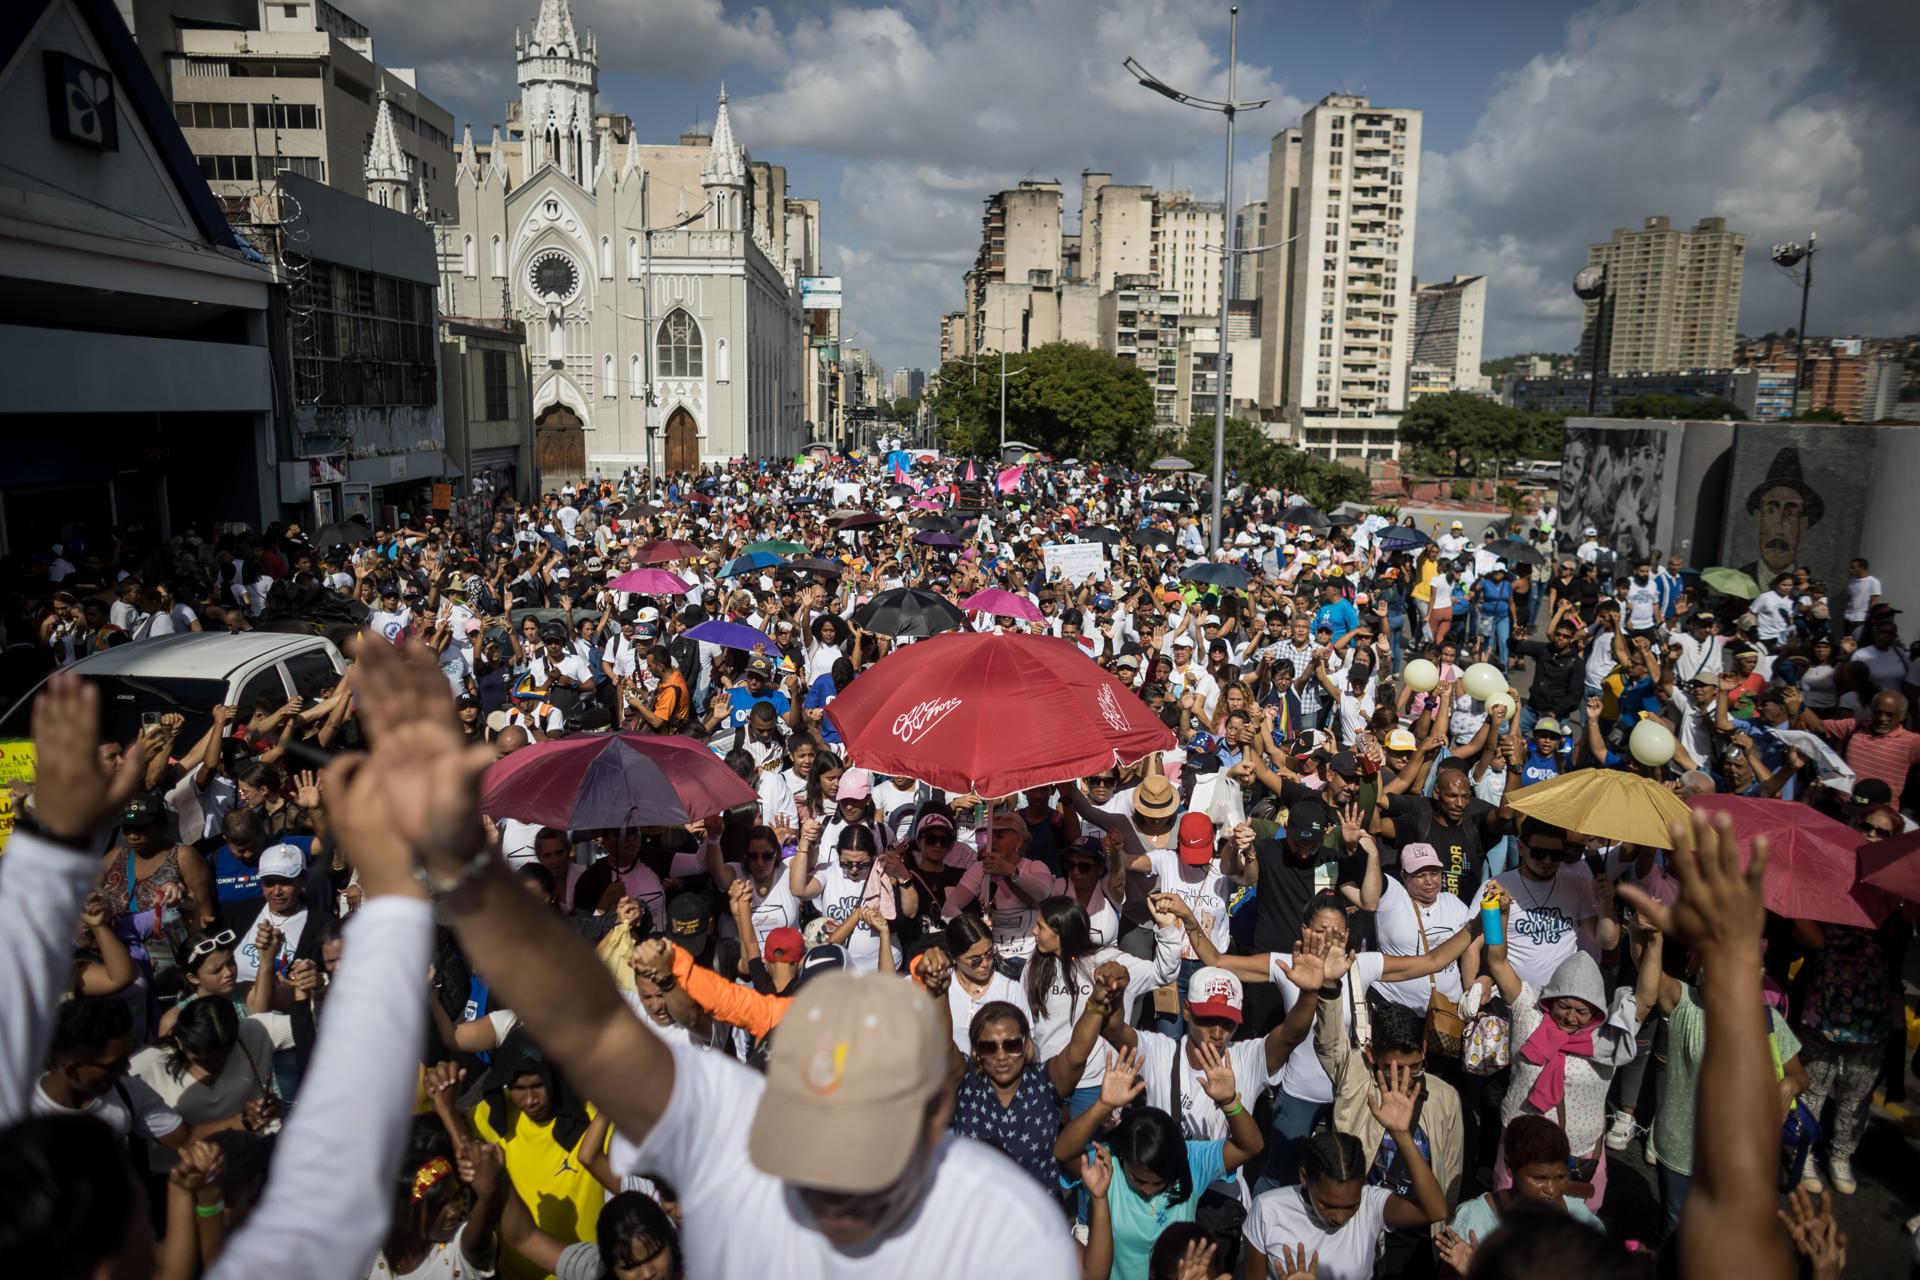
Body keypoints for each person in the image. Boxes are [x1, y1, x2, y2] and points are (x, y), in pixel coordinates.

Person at [1056, 1044, 1264, 1280]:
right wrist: (1102, 1105)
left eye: (1159, 1184)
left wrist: (1230, 1103)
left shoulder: (1191, 1160)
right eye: (1137, 1179)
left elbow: (1250, 1146)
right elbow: (1064, 1153)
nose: (1147, 1189)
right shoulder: (1106, 1164)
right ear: (1122, 1156)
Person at [1239, 1067, 1450, 1280]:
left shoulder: (1371, 1205)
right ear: (1304, 1178)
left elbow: (1435, 1211)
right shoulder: (1267, 1211)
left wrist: (1402, 1136)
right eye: (1327, 1205)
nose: (1339, 1218)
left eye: (1351, 1206)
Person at [1435, 1116, 1604, 1274]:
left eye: (1560, 1177)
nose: (1552, 1190)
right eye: (1539, 1178)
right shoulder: (1473, 1221)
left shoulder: (1581, 1219)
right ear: (1510, 1166)